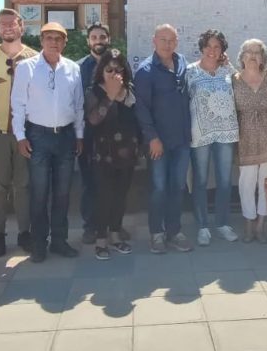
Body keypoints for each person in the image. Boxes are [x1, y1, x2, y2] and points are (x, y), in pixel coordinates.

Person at [11, 22, 83, 263]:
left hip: (65, 136)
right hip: (38, 137)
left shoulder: (73, 68)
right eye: (49, 37)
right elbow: (18, 104)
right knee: (39, 193)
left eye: (59, 38)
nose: (54, 42)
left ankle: (59, 241)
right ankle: (39, 243)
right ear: (41, 41)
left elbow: (78, 105)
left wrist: (79, 134)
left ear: (65, 42)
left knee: (62, 194)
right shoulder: (26, 68)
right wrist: (20, 136)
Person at [0, 8, 37, 257]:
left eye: (13, 23)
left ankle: (25, 233)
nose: (8, 27)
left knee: (23, 185)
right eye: (3, 24)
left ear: (22, 27)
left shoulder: (35, 57)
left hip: (26, 135)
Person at [134, 24, 193, 254]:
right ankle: (156, 234)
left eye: (172, 40)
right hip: (159, 142)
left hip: (182, 141)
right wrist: (152, 138)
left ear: (176, 42)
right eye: (163, 39)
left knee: (177, 187)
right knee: (159, 188)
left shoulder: (183, 64)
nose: (168, 44)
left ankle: (174, 231)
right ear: (154, 41)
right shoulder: (146, 71)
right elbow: (142, 109)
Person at [186, 29, 240, 245]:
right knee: (199, 180)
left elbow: (242, 90)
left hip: (226, 133)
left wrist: (229, 65)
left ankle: (223, 223)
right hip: (199, 134)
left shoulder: (228, 70)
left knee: (225, 181)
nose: (212, 50)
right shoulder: (190, 72)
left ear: (222, 50)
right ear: (201, 48)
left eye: (217, 47)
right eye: (208, 46)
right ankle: (202, 226)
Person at [85, 49, 139, 260]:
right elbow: (94, 120)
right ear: (101, 71)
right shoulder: (94, 91)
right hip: (103, 153)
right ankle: (100, 239)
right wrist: (110, 95)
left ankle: (116, 235)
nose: (115, 73)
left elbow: (135, 120)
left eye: (119, 70)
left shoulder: (131, 90)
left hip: (127, 152)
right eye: (109, 69)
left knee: (120, 195)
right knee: (104, 196)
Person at [76, 22, 128, 245]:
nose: (98, 40)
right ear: (88, 41)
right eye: (94, 37)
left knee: (115, 185)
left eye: (102, 37)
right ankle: (92, 226)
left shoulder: (117, 64)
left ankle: (114, 226)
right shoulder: (78, 68)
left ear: (108, 40)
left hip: (117, 139)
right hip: (90, 136)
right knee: (91, 184)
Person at [232, 39, 267, 243]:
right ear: (242, 57)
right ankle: (248, 223)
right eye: (248, 52)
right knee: (246, 183)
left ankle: (261, 226)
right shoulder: (234, 79)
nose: (253, 56)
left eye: (257, 52)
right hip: (245, 139)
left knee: (266, 183)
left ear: (263, 57)